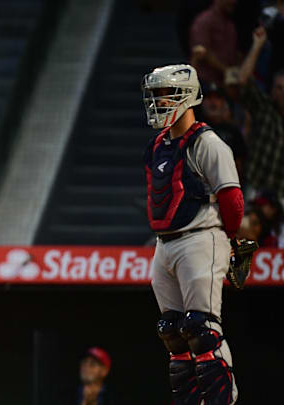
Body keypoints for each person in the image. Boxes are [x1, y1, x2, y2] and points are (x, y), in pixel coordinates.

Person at [142, 64, 244, 405]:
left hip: (201, 236)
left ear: (186, 97)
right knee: (172, 331)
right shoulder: (158, 145)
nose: (157, 102)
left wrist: (230, 241)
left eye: (164, 94)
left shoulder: (208, 143)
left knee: (202, 329)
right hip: (165, 243)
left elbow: (232, 198)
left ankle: (222, 400)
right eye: (154, 95)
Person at [237, 26, 284, 198]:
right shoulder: (264, 107)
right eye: (278, 88)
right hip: (256, 188)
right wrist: (257, 46)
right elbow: (242, 80)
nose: (282, 93)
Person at [189, 0, 240, 86]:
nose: (233, 1)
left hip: (226, 84)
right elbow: (200, 52)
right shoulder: (204, 21)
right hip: (207, 83)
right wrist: (226, 70)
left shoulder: (229, 22)